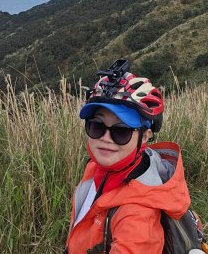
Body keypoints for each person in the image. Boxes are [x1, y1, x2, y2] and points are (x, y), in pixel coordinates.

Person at [65, 60, 192, 254]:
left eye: (121, 131)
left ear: (145, 136)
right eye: (97, 126)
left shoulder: (137, 218)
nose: (106, 139)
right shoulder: (101, 167)